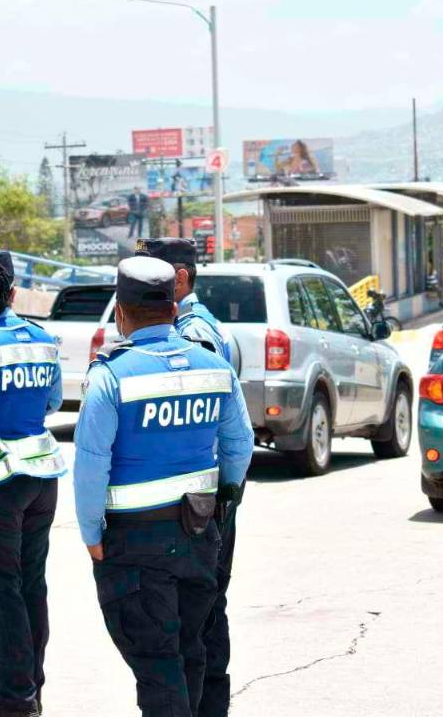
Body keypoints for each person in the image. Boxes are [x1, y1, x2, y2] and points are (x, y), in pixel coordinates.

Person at [73, 256, 254, 717]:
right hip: (199, 534)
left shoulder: (111, 376)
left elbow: (91, 466)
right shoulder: (215, 368)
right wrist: (224, 504)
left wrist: (91, 534)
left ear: (121, 313)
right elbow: (239, 447)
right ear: (174, 309)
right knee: (190, 651)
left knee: (157, 665)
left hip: (133, 545)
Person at [137, 237, 240, 717]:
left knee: (200, 623)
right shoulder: (194, 326)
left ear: (179, 279)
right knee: (196, 620)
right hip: (198, 500)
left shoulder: (195, 333)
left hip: (200, 502)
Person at [0, 251, 65, 717]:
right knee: (31, 585)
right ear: (14, 293)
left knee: (0, 588)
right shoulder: (45, 339)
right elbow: (53, 402)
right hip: (43, 474)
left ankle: (14, 698)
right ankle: (33, 690)